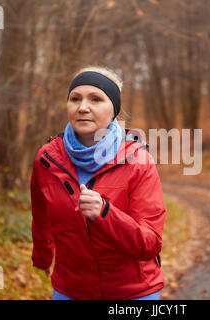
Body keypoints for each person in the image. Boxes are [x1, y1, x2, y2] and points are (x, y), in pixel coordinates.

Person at [30, 66, 165, 300]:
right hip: (70, 290)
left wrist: (104, 213)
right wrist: (42, 257)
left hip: (132, 293)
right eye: (75, 99)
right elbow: (41, 216)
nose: (83, 107)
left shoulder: (138, 161)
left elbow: (150, 243)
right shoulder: (47, 159)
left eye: (96, 99)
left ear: (113, 110)